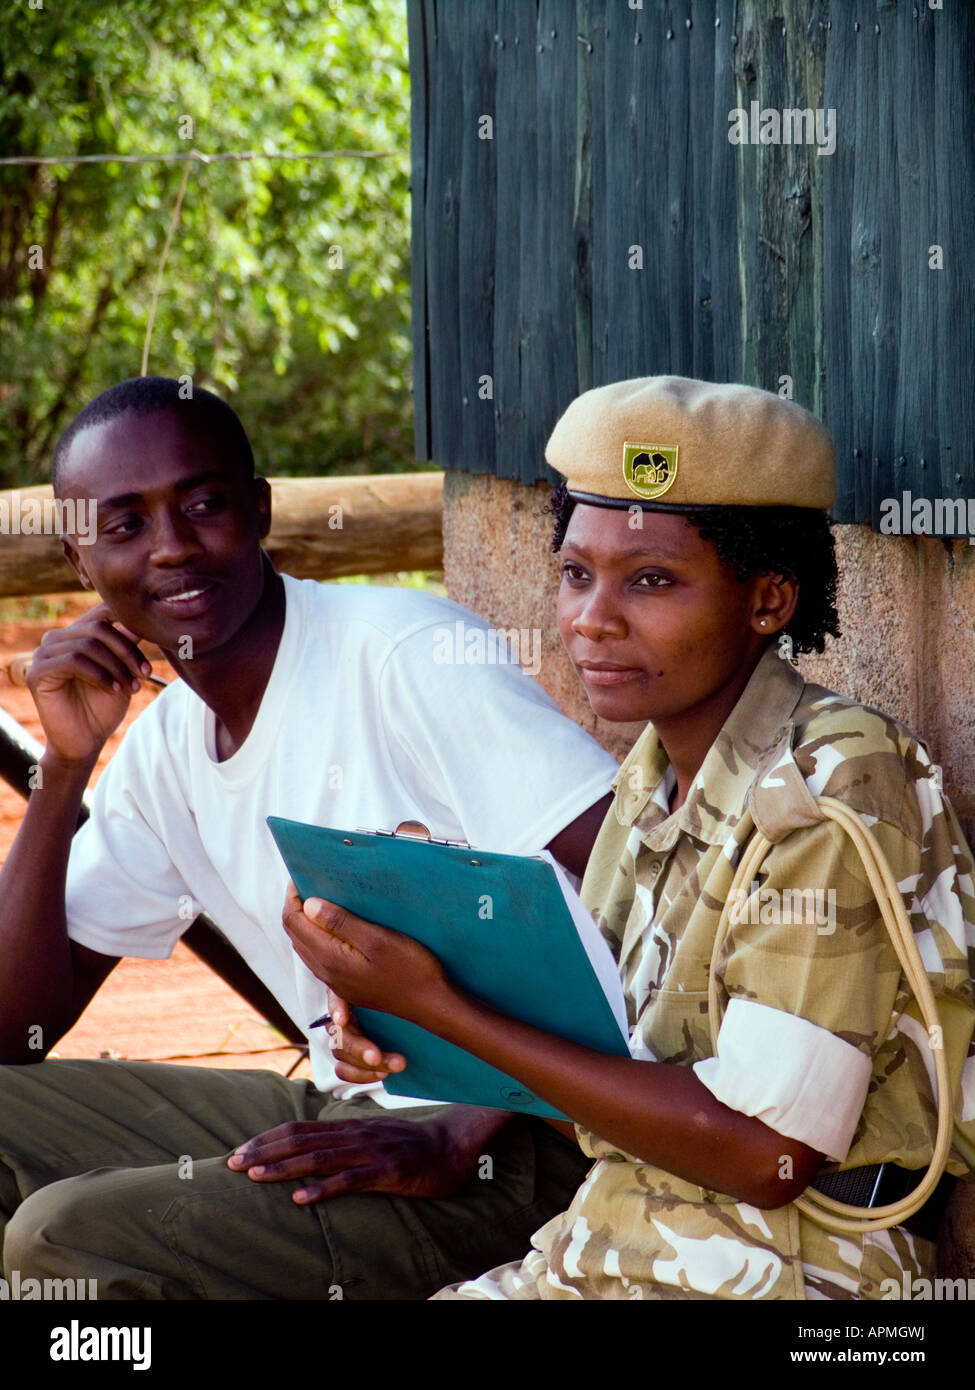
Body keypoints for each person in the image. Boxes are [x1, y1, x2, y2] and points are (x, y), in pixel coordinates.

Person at [283, 376, 975, 1300]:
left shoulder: (830, 782)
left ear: (767, 600)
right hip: (617, 1240)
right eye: (576, 573)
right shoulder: (652, 777)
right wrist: (403, 1010)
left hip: (795, 1275)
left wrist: (448, 1010)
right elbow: (607, 1068)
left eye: (650, 580)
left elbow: (761, 1159)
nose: (590, 619)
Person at [0, 375, 620, 1300]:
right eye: (124, 525)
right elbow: (18, 1030)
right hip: (353, 1116)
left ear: (258, 510)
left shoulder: (400, 654)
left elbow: (642, 899)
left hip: (540, 1148)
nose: (172, 547)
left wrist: (460, 1128)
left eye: (203, 505)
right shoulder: (167, 747)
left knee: (62, 1240)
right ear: (79, 560)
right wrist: (63, 770)